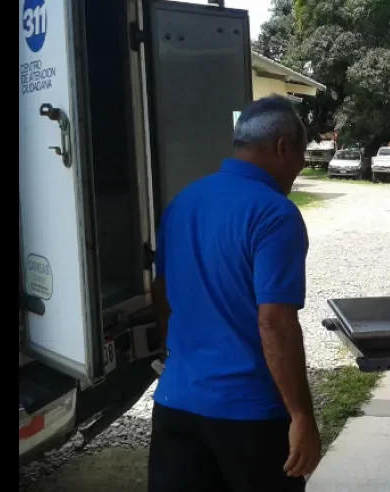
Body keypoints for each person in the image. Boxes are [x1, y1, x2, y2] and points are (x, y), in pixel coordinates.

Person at [147, 95, 320, 492]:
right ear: (282, 147)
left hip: (176, 404)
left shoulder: (183, 202)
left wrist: (178, 357)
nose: (300, 168)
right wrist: (301, 416)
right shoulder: (275, 214)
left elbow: (162, 291)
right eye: (301, 155)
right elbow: (275, 321)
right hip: (250, 420)